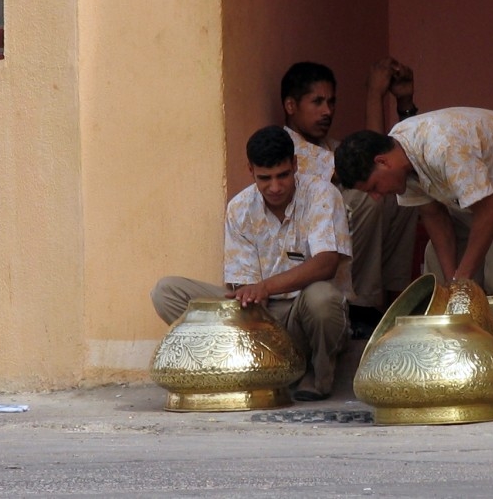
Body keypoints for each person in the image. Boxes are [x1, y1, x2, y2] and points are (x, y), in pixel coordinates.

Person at [151, 125, 352, 402]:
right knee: (166, 292)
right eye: (264, 178)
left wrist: (265, 287)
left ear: (295, 164)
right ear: (250, 171)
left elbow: (326, 264)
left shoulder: (322, 194)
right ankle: (227, 368)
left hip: (302, 316)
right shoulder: (240, 207)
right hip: (259, 320)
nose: (275, 187)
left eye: (282, 175)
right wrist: (252, 298)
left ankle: (317, 376)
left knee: (322, 298)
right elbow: (245, 288)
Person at [333, 107, 493, 316]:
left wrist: (462, 280)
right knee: (437, 270)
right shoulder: (400, 159)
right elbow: (434, 216)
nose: (376, 197)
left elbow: (489, 215)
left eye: (374, 187)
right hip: (490, 195)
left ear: (382, 162)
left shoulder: (442, 148)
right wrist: (453, 285)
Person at [280, 59, 419, 333]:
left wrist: (405, 102)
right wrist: (374, 94)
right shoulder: (290, 149)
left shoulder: (332, 147)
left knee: (406, 195)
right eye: (317, 102)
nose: (327, 111)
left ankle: (395, 305)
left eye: (331, 102)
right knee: (367, 195)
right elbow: (371, 165)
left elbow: (396, 161)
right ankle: (360, 308)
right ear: (290, 106)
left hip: (345, 264)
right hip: (309, 267)